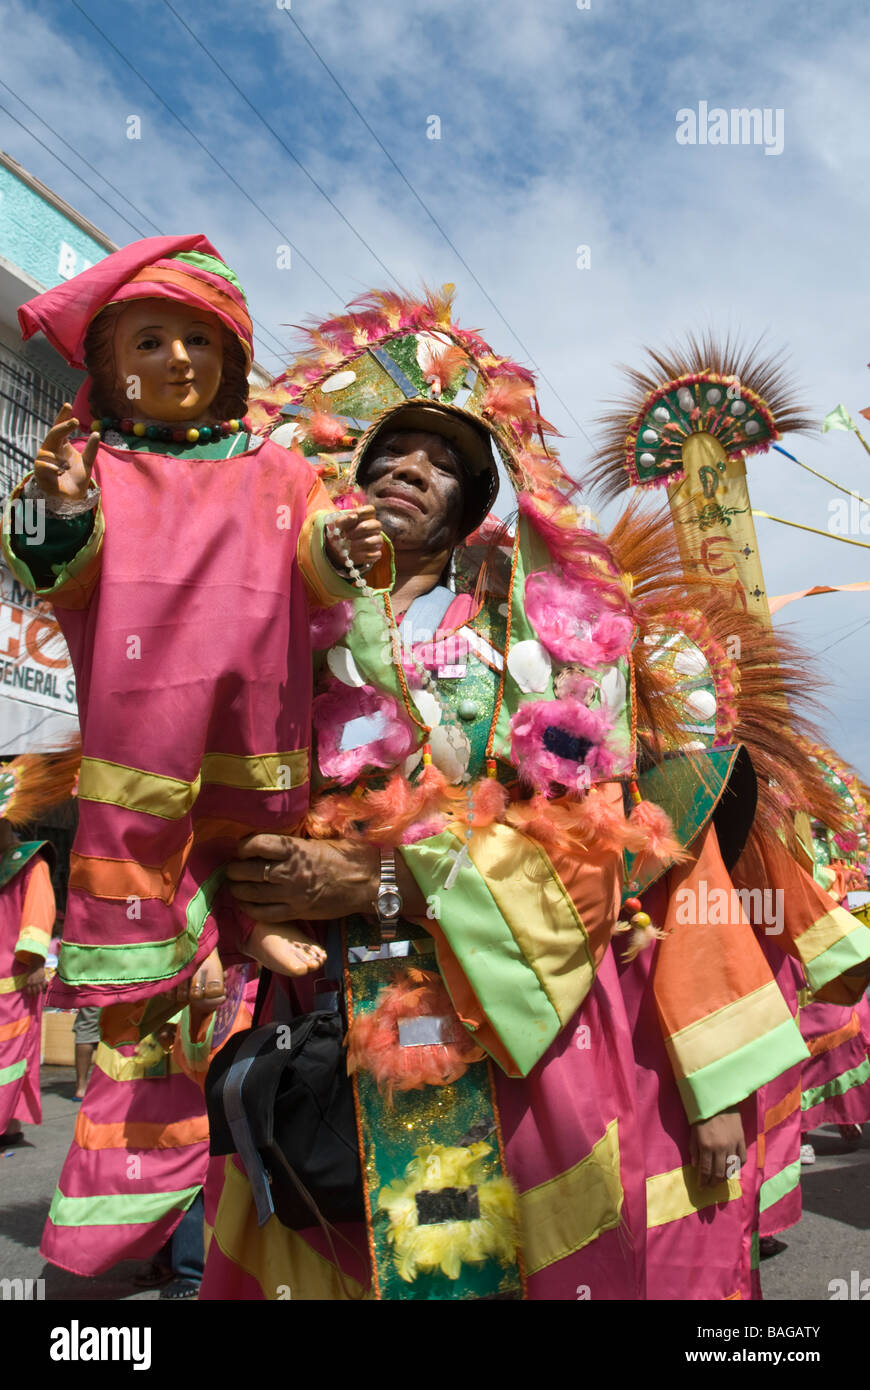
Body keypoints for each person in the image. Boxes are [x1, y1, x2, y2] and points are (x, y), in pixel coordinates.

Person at [194, 287, 839, 1300]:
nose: (412, 468)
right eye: (393, 451)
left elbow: (629, 852)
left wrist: (382, 871)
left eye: (446, 461)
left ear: (476, 505)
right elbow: (201, 797)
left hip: (505, 1022)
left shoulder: (549, 640)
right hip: (315, 1013)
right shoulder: (275, 625)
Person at [0, 235, 382, 1029]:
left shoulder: (278, 468)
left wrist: (343, 545)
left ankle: (250, 919)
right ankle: (152, 961)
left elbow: (318, 554)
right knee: (139, 828)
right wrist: (57, 506)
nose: (178, 359)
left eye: (198, 340)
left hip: (253, 704)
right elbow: (49, 569)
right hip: (142, 713)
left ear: (230, 357)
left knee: (253, 829)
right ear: (111, 369)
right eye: (150, 342)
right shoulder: (94, 463)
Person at [0, 751, 75, 1144]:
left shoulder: (31, 862)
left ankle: (5, 1126)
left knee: (11, 1056)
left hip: (14, 981)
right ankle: (8, 1125)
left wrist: (32, 964)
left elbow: (38, 915)